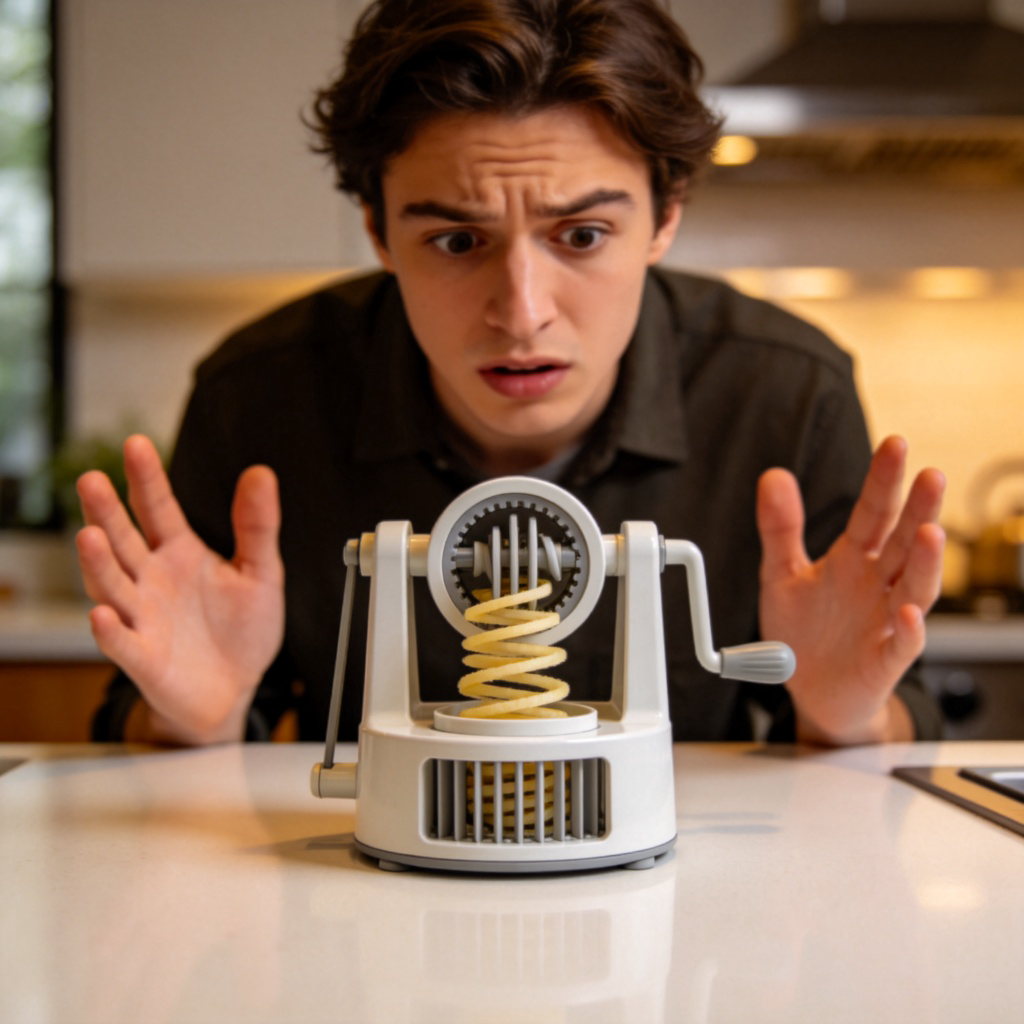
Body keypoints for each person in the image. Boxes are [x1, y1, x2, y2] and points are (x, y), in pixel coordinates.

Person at [77, 0, 946, 748]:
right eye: (457, 241)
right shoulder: (259, 399)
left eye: (582, 236)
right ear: (378, 230)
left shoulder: (787, 398)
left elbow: (874, 720)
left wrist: (848, 717)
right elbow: (162, 714)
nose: (522, 312)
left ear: (664, 217)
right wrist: (193, 721)